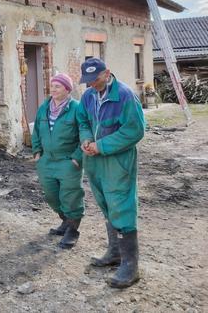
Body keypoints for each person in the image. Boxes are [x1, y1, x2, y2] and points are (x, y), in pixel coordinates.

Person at [76, 58, 145, 288]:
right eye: (87, 81)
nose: (91, 84)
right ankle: (114, 252)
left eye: (95, 79)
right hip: (94, 160)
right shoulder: (87, 96)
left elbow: (135, 131)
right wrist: (86, 139)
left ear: (107, 73)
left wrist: (102, 145)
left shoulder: (125, 96)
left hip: (117, 160)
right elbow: (83, 120)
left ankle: (130, 266)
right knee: (105, 203)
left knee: (121, 205)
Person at [31, 73, 84, 249]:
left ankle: (72, 230)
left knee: (70, 196)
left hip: (67, 160)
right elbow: (36, 131)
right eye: (52, 86)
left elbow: (84, 134)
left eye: (57, 86)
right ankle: (65, 222)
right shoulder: (44, 107)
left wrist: (77, 158)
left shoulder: (76, 108)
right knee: (51, 195)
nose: (53, 89)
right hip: (47, 160)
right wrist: (37, 152)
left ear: (67, 89)